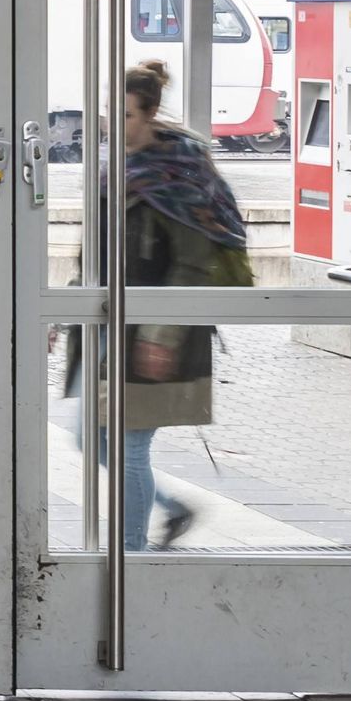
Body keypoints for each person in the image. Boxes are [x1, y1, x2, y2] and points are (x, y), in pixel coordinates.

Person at [112, 59, 254, 549]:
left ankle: (131, 554)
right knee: (94, 439)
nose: (115, 123)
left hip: (153, 330)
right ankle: (174, 510)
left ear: (149, 113)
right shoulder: (121, 167)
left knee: (129, 446)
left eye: (126, 114)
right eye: (110, 112)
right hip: (114, 323)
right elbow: (101, 249)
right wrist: (68, 309)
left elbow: (191, 263)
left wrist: (162, 334)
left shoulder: (177, 174)